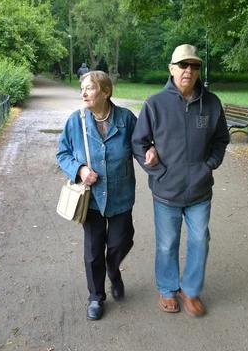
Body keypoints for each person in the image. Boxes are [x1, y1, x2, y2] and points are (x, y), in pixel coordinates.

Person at [131, 44, 230, 317]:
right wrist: (157, 170)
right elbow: (138, 143)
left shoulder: (211, 103)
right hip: (166, 190)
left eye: (194, 66)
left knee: (200, 241)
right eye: (183, 65)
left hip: (199, 190)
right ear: (171, 68)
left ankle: (191, 290)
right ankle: (167, 289)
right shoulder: (155, 104)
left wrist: (209, 164)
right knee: (167, 243)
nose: (189, 70)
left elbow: (222, 139)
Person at [57, 71, 137, 321]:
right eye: (82, 88)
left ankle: (113, 270)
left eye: (89, 88)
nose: (83, 93)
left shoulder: (126, 119)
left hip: (121, 196)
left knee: (120, 242)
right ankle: (96, 296)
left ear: (105, 92)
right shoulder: (75, 121)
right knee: (93, 251)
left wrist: (158, 167)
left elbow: (141, 149)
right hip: (90, 200)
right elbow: (63, 154)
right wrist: (79, 169)